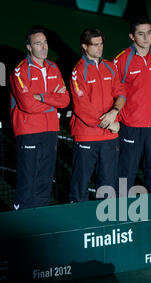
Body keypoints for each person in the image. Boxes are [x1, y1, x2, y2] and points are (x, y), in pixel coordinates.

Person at [10, 27, 70, 210]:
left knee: (45, 177)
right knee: (28, 177)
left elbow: (65, 99)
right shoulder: (20, 71)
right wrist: (53, 99)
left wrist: (42, 97)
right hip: (28, 131)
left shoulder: (53, 67)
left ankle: (41, 215)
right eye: (38, 43)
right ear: (29, 47)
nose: (43, 47)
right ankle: (20, 218)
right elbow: (27, 105)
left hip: (50, 130)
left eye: (45, 42)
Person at [69, 28, 126, 202]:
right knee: (81, 183)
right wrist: (111, 123)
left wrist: (115, 111)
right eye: (95, 45)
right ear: (85, 47)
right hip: (87, 136)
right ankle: (78, 221)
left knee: (108, 184)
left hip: (109, 137)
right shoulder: (78, 72)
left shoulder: (110, 66)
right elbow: (82, 108)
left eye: (101, 44)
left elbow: (121, 93)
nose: (100, 48)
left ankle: (105, 222)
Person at [113, 16, 151, 192]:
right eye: (141, 34)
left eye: (149, 33)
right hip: (131, 126)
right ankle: (120, 211)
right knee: (126, 172)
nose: (146, 38)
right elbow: (114, 92)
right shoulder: (121, 60)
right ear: (132, 36)